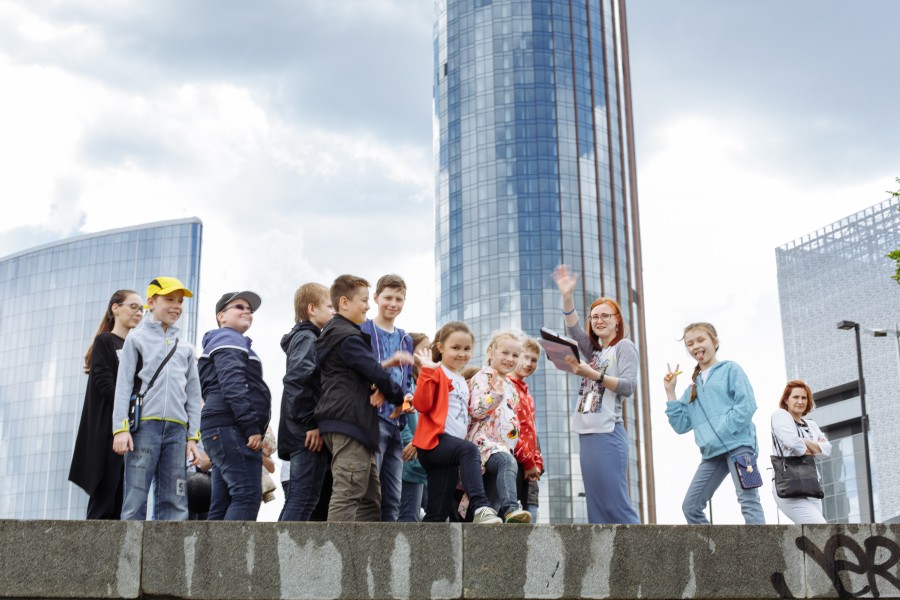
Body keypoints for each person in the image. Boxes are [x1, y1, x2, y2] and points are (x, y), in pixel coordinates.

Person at [313, 275, 410, 522]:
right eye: (364, 300)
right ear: (344, 303)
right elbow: (373, 370)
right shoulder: (346, 336)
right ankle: (337, 547)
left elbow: (359, 373)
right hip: (349, 422)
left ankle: (366, 547)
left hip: (353, 423)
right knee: (348, 490)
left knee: (370, 497)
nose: (367, 306)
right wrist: (398, 396)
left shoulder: (339, 334)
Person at [551, 265, 641, 524]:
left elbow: (628, 386)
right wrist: (567, 296)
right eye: (594, 317)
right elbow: (574, 330)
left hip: (608, 432)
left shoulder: (623, 347)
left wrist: (594, 375)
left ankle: (642, 548)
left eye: (605, 316)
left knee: (615, 505)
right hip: (586, 432)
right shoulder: (595, 353)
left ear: (617, 320)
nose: (599, 321)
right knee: (597, 510)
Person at [112, 277, 202, 521]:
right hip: (144, 427)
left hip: (177, 431)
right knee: (135, 498)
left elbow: (193, 396)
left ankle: (171, 548)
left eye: (180, 301)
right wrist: (120, 428)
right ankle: (130, 547)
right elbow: (123, 386)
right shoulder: (136, 339)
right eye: (169, 299)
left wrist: (193, 436)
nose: (176, 306)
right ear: (151, 303)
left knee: (176, 500)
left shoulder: (185, 348)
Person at [663, 321, 766, 524]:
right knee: (690, 507)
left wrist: (724, 428)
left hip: (740, 447)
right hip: (711, 454)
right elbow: (681, 425)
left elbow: (747, 405)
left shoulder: (730, 369)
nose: (695, 346)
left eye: (701, 340)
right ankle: (713, 547)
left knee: (749, 501)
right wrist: (670, 392)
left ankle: (761, 545)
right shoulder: (692, 388)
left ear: (715, 342)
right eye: (690, 343)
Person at [411, 322, 502, 524]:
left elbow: (471, 412)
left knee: (438, 512)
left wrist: (494, 395)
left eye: (467, 349)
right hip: (435, 443)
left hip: (451, 450)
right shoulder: (436, 371)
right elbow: (421, 404)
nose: (462, 353)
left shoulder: (461, 379)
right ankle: (480, 506)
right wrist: (426, 371)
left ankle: (424, 542)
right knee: (469, 450)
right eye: (455, 348)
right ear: (441, 347)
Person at [69, 289, 144, 519]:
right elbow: (103, 381)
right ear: (115, 308)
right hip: (108, 428)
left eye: (142, 309)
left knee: (124, 496)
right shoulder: (105, 341)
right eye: (133, 306)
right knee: (104, 495)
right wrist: (126, 406)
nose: (139, 313)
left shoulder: (138, 347)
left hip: (133, 428)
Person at [198, 290, 271, 521]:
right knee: (247, 495)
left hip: (222, 427)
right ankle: (233, 548)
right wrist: (251, 427)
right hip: (231, 428)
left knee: (222, 504)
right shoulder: (228, 339)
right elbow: (233, 385)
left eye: (249, 309)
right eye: (239, 307)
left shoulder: (226, 340)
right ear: (221, 316)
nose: (247, 311)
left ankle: (212, 547)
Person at [360, 274, 415, 522]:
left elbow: (407, 380)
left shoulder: (406, 339)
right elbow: (358, 369)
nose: (393, 304)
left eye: (399, 299)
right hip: (372, 419)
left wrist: (408, 400)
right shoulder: (363, 330)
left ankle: (390, 544)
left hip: (396, 422)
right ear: (375, 298)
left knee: (393, 496)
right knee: (369, 490)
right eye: (388, 298)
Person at [278, 283, 334, 521]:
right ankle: (281, 545)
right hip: (306, 432)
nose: (334, 312)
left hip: (303, 429)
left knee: (306, 498)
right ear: (312, 309)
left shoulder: (311, 337)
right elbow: (298, 380)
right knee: (302, 498)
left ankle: (282, 544)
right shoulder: (307, 338)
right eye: (330, 306)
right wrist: (311, 423)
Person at [467, 331, 532, 523]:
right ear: (490, 352)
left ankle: (486, 521)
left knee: (491, 506)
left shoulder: (511, 386)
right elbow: (476, 410)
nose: (510, 359)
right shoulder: (482, 377)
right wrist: (494, 395)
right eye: (505, 353)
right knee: (507, 462)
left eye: (515, 355)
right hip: (483, 444)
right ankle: (511, 507)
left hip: (503, 447)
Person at [771, 380, 830, 524]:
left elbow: (826, 450)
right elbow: (793, 444)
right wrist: (814, 447)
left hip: (811, 482)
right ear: (786, 400)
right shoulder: (780, 415)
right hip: (788, 483)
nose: (800, 401)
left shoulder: (811, 425)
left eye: (804, 398)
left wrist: (804, 441)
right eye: (795, 397)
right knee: (819, 527)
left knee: (814, 531)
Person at [509, 336, 544, 523]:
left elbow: (532, 432)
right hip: (514, 458)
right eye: (525, 356)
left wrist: (537, 462)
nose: (529, 363)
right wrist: (529, 461)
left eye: (534, 360)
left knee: (530, 513)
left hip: (529, 465)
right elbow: (510, 430)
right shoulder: (506, 386)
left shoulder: (527, 395)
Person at [398, 333, 430, 522]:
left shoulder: (419, 381)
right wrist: (411, 442)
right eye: (424, 348)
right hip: (410, 457)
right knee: (408, 516)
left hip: (420, 457)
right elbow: (401, 417)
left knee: (424, 515)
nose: (429, 352)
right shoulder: (405, 381)